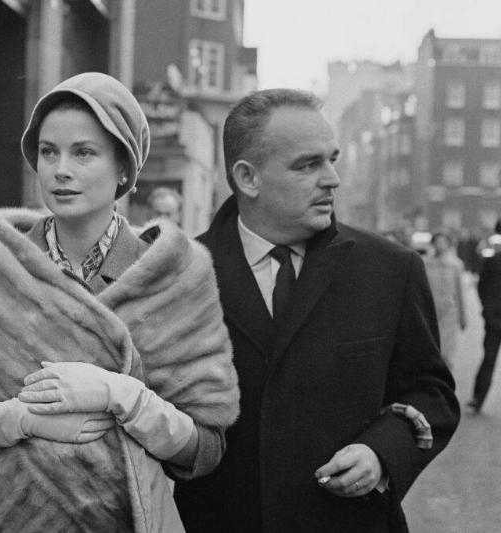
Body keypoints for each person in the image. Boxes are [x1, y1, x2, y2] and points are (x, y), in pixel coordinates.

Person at [0, 72, 239, 532]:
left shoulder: (173, 278)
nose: (60, 169)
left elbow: (205, 448)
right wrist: (20, 418)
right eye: (49, 152)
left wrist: (122, 395)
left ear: (124, 168)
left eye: (83, 152)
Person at [172, 88, 460, 532]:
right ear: (248, 178)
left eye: (332, 159)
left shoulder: (390, 269)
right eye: (308, 165)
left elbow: (431, 394)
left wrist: (381, 453)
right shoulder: (181, 275)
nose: (333, 179)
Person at [468, 228, 501, 414]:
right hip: (495, 319)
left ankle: (477, 398)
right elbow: (482, 286)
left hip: (493, 318)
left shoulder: (493, 260)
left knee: (488, 359)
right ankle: (478, 398)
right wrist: (488, 310)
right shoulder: (493, 260)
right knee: (489, 359)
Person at [423, 232, 467, 369]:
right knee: (430, 347)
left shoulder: (456, 265)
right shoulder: (425, 263)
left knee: (446, 350)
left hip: (448, 314)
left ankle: (444, 376)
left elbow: (460, 293)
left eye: (443, 242)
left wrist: (463, 317)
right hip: (429, 312)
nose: (440, 245)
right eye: (437, 241)